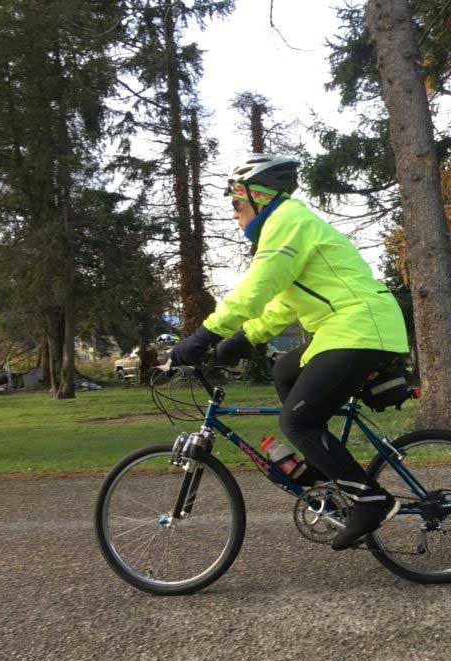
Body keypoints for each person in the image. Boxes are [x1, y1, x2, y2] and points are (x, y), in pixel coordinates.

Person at [169, 154, 410, 550]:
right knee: (285, 372)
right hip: (344, 330)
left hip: (359, 329)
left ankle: (371, 500)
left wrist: (206, 335)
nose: (234, 214)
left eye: (236, 203)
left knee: (296, 424)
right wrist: (242, 340)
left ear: (259, 197)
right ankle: (323, 467)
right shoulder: (286, 228)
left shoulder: (287, 221)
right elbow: (281, 304)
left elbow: (256, 288)